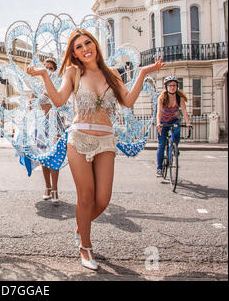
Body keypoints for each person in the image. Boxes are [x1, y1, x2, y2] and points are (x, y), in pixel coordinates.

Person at [26, 28, 164, 270]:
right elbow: (58, 101)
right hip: (78, 139)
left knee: (103, 199)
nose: (84, 49)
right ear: (74, 53)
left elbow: (128, 101)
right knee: (86, 196)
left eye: (87, 43)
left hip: (106, 140)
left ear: (95, 44)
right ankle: (85, 247)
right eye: (78, 47)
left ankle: (81, 226)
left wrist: (142, 73)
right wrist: (43, 76)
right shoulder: (73, 72)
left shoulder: (111, 73)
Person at [28, 58, 62, 203]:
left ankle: (54, 189)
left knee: (54, 157)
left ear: (55, 71)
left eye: (51, 68)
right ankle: (47, 187)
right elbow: (30, 105)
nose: (48, 70)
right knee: (44, 158)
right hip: (41, 125)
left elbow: (62, 103)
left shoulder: (59, 86)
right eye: (45, 68)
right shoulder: (38, 87)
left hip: (55, 123)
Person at [155, 75, 191, 177]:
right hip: (163, 121)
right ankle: (159, 168)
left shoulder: (180, 98)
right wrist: (158, 123)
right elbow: (159, 112)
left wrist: (188, 123)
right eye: (170, 85)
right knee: (161, 145)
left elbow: (184, 111)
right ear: (166, 87)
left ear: (177, 86)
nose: (172, 87)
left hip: (174, 120)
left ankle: (175, 146)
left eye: (174, 85)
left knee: (176, 133)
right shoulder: (162, 98)